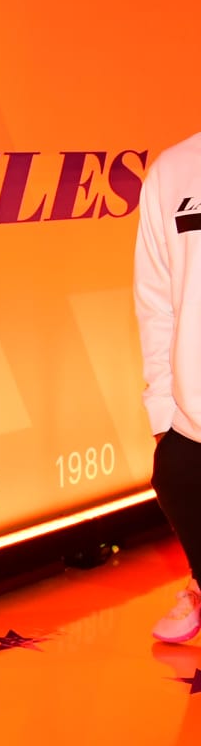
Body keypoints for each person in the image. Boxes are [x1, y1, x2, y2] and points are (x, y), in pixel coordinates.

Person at [135, 130, 201, 646]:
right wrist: (162, 412)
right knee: (175, 477)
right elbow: (156, 300)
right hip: (192, 419)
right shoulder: (174, 168)